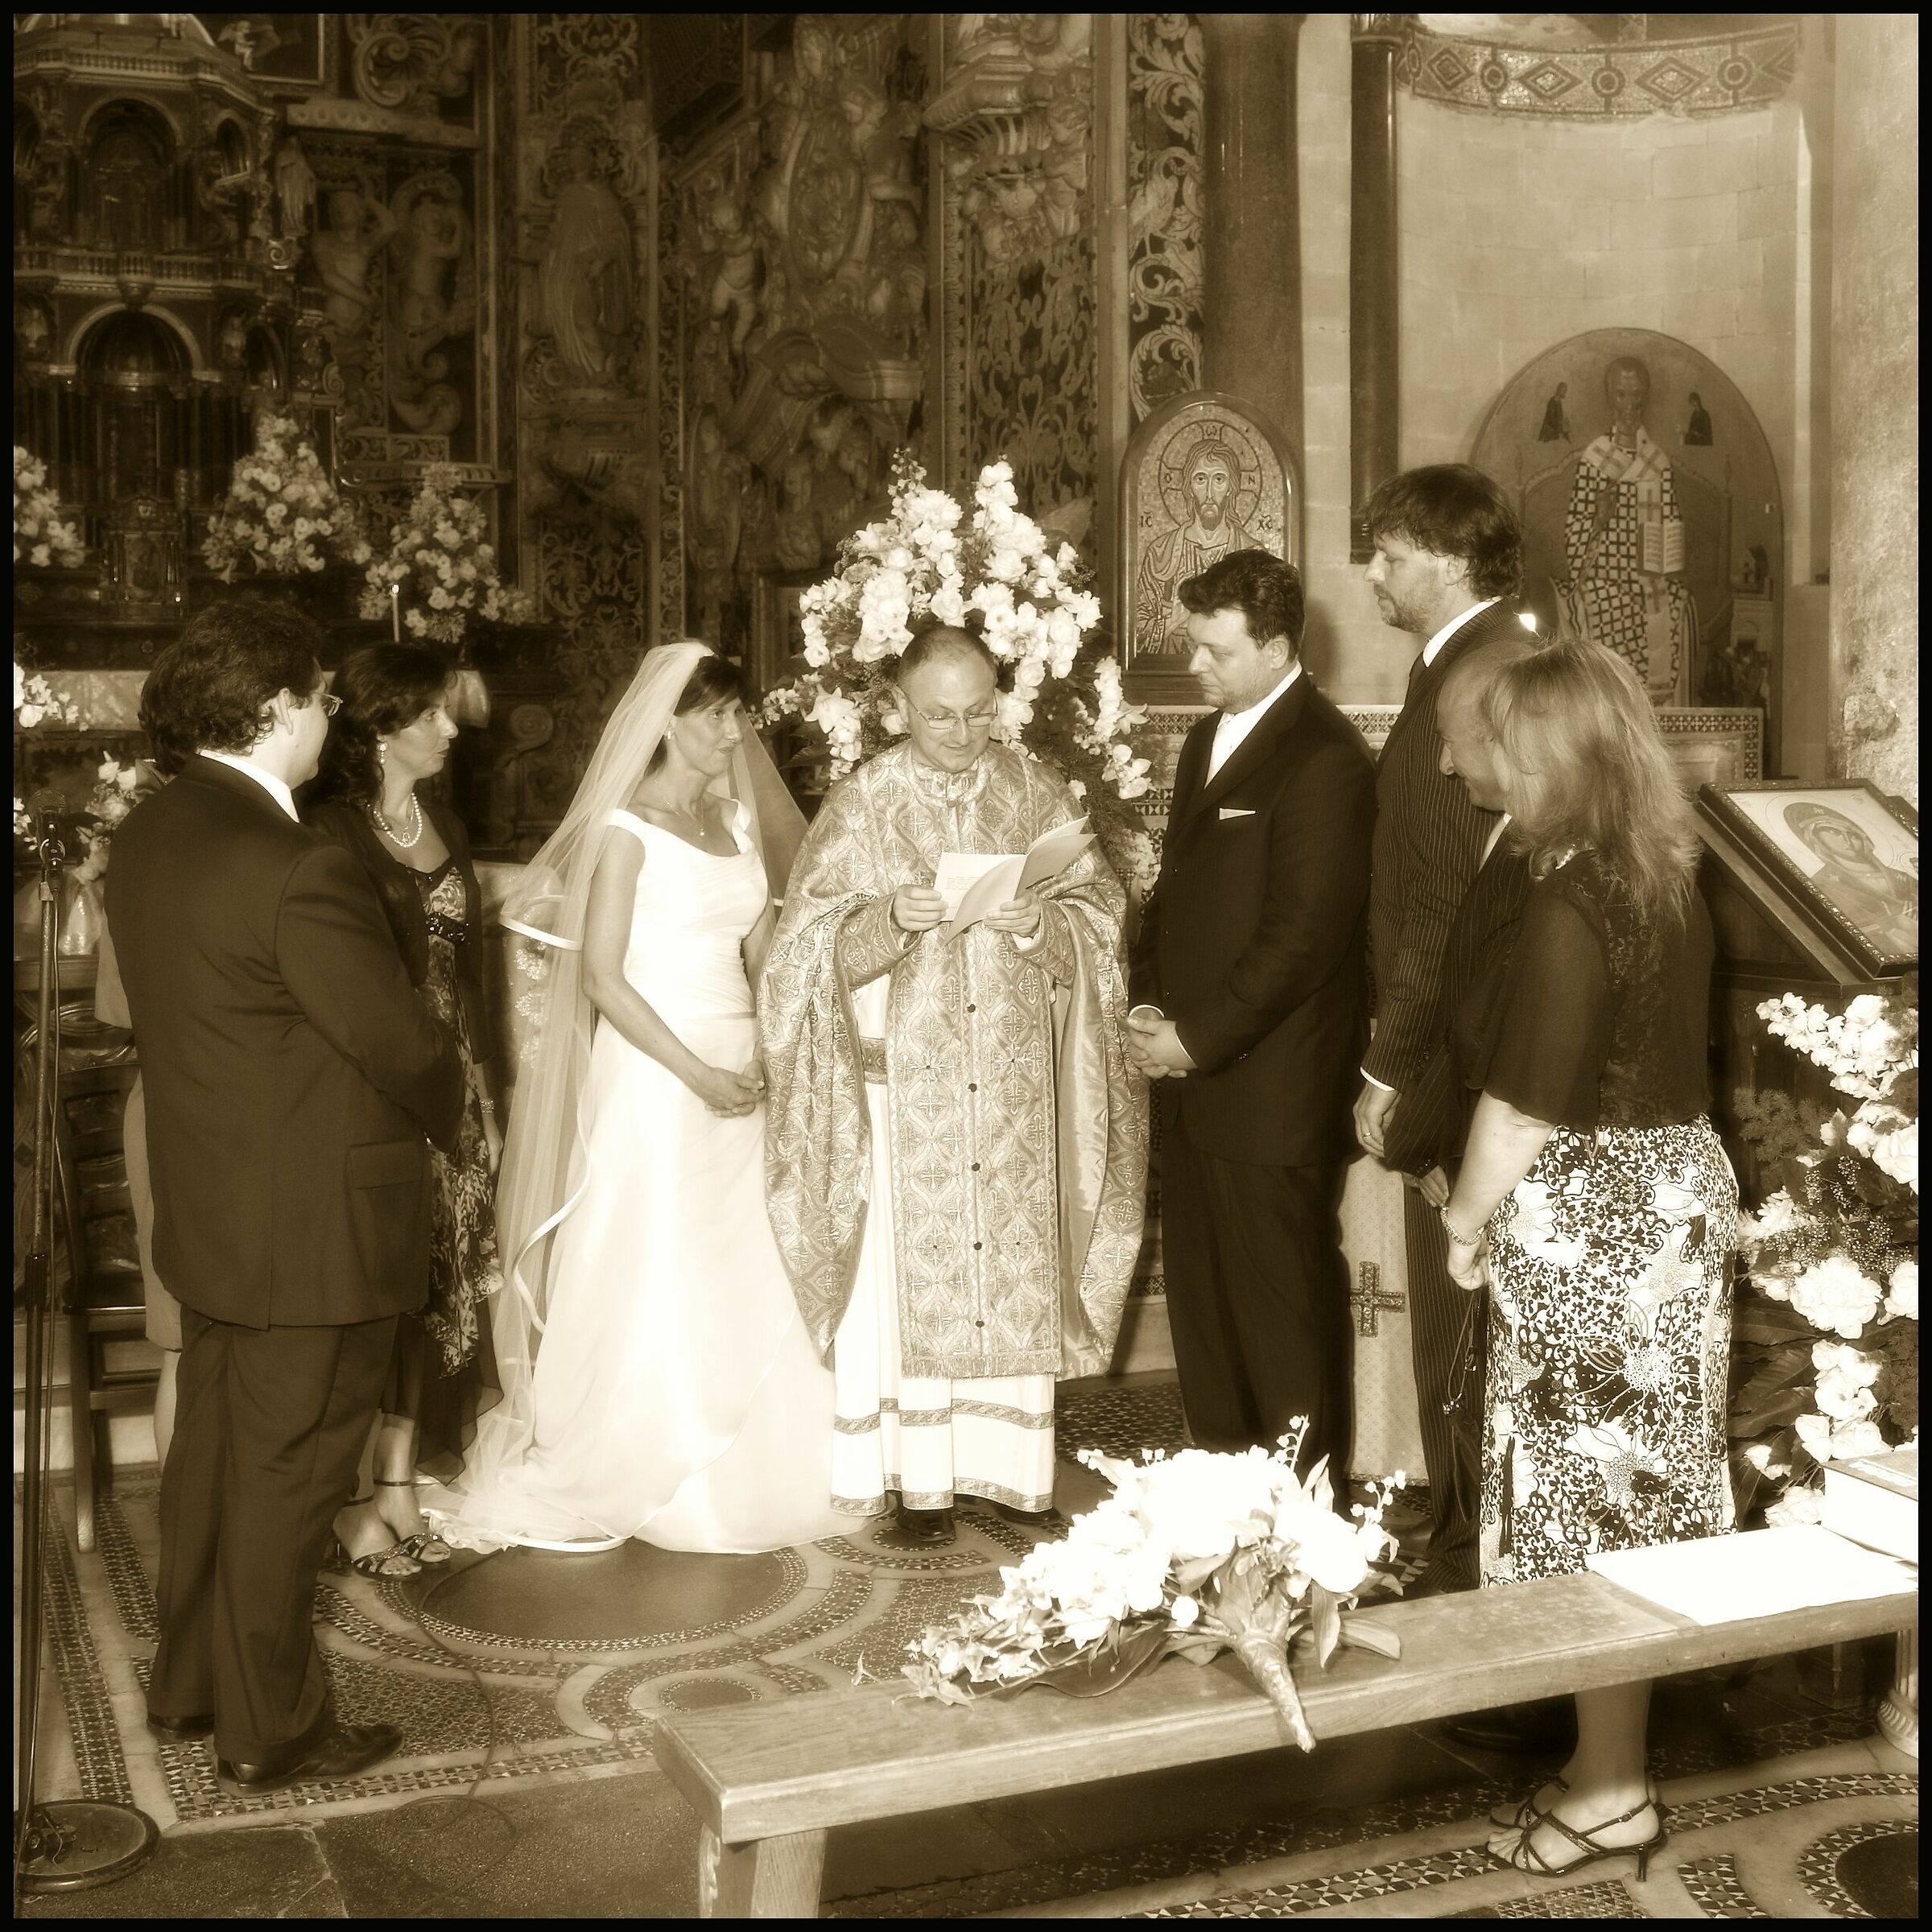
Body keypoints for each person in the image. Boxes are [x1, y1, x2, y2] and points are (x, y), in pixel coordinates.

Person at [106, 598, 461, 1797]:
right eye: (316, 696)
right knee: (293, 1475)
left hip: (213, 1213)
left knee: (215, 1457)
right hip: (313, 1225)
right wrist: (463, 1117)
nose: (327, 715)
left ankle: (193, 1682)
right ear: (269, 711)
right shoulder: (298, 858)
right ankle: (274, 1726)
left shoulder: (154, 829)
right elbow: (398, 1043)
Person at [435, 643, 847, 1554]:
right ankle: (656, 1461)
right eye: (715, 716)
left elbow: (760, 953)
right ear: (665, 723)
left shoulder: (737, 826)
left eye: (736, 714)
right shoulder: (627, 829)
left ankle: (768, 1456)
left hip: (744, 1059)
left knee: (752, 1252)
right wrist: (697, 1073)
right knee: (665, 1251)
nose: (732, 731)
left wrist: (776, 1052)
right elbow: (605, 980)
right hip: (660, 1074)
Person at [1436, 638, 1736, 1880]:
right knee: (1638, 1496)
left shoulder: (1570, 898)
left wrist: (1461, 1222)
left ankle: (1615, 1788)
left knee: (1590, 1510)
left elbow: (1523, 1108)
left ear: (1546, 755)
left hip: (1598, 1227)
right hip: (1672, 1200)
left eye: (1500, 739)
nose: (1482, 761)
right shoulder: (1659, 869)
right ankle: (1602, 1758)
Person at [761, 625, 1146, 1549]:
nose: (963, 731)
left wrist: (1036, 924)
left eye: (979, 712)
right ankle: (913, 1482)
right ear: (898, 705)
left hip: (1011, 1097)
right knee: (905, 1282)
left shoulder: (1031, 788)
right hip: (909, 1099)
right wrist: (887, 919)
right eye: (940, 715)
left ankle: (1008, 1472)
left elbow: (1101, 919)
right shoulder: (863, 804)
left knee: (1013, 1267)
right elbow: (798, 959)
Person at [1126, 550, 1375, 1478]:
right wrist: (1151, 999)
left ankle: (1307, 1542)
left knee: (1282, 1328)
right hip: (1195, 1086)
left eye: (1215, 652)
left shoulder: (1325, 758)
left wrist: (1194, 1040)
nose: (1197, 667)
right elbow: (1176, 901)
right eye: (1195, 646)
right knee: (1208, 1318)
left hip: (1268, 1090)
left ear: (1275, 647)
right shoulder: (1207, 739)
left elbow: (1303, 939)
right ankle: (1226, 1517)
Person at [1354, 464, 1538, 1608]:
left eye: (1388, 554)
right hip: (1479, 1051)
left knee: (1459, 1309)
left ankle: (1467, 1555)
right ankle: (1470, 1533)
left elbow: (1433, 900)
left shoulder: (1472, 674)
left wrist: (1387, 1066)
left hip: (1460, 1065)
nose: (1372, 574)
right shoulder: (1492, 654)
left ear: (1451, 558)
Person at [303, 646, 506, 1577]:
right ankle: (349, 1500)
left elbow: (475, 978)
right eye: (431, 714)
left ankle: (397, 1483)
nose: (451, 729)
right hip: (373, 1094)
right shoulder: (327, 832)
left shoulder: (449, 826)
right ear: (382, 723)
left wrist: (487, 1091)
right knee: (375, 1285)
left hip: (452, 1085)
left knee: (439, 1287)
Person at [1379, 634, 1542, 1203]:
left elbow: (1498, 1031)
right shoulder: (1514, 834)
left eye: (1450, 742)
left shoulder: (1546, 862)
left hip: (1506, 1167)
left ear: (1501, 740)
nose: (1445, 766)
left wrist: (1424, 1133)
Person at [1557, 354, 1695, 703]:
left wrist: (1666, 568)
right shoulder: (1595, 459)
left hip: (1650, 574)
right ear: (1609, 397)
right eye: (1621, 395)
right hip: (1604, 574)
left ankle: (1657, 716)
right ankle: (1615, 710)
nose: (1630, 405)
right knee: (1607, 605)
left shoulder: (1657, 461)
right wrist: (1600, 520)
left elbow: (1671, 522)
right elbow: (1575, 528)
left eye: (1636, 396)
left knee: (1676, 603)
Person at [1781, 801, 1918, 957]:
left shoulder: (1900, 876)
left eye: (1853, 835)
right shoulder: (1823, 883)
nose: (1847, 841)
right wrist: (1894, 921)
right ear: (1815, 838)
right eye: (1833, 832)